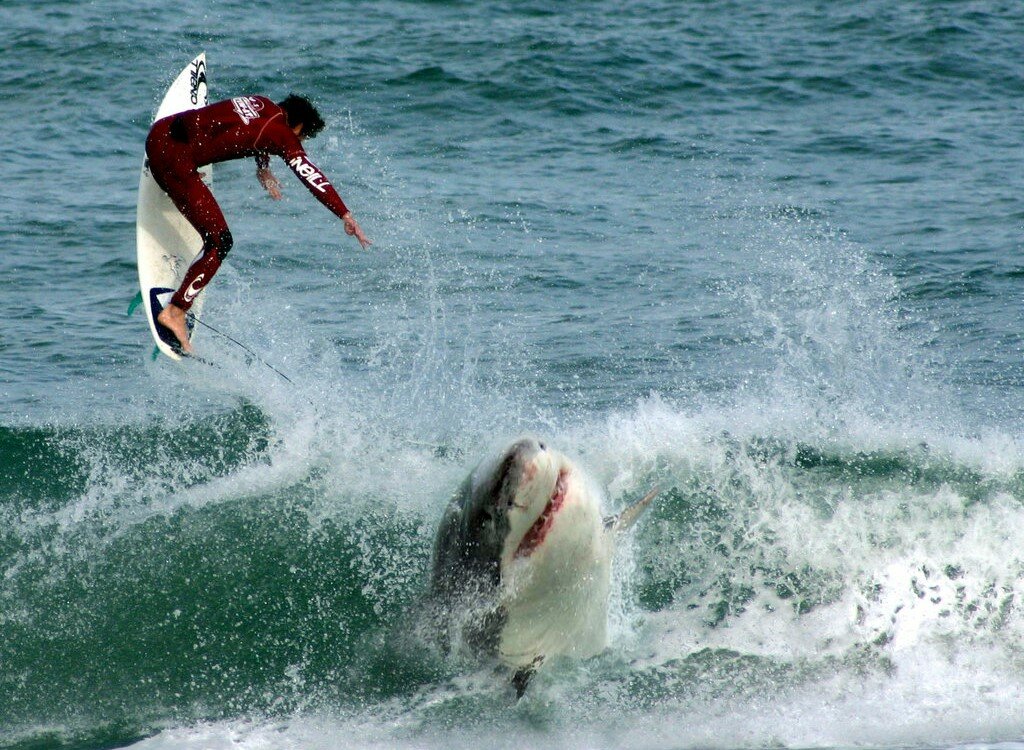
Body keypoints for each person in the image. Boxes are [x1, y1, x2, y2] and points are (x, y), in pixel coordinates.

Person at [145, 94, 371, 354]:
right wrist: (344, 213)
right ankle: (175, 311)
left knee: (201, 150)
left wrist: (263, 168)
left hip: (160, 133)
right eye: (302, 138)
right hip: (173, 161)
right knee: (221, 241)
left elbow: (249, 128)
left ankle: (170, 177)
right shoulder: (283, 134)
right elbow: (310, 174)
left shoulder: (260, 103)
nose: (298, 143)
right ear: (296, 128)